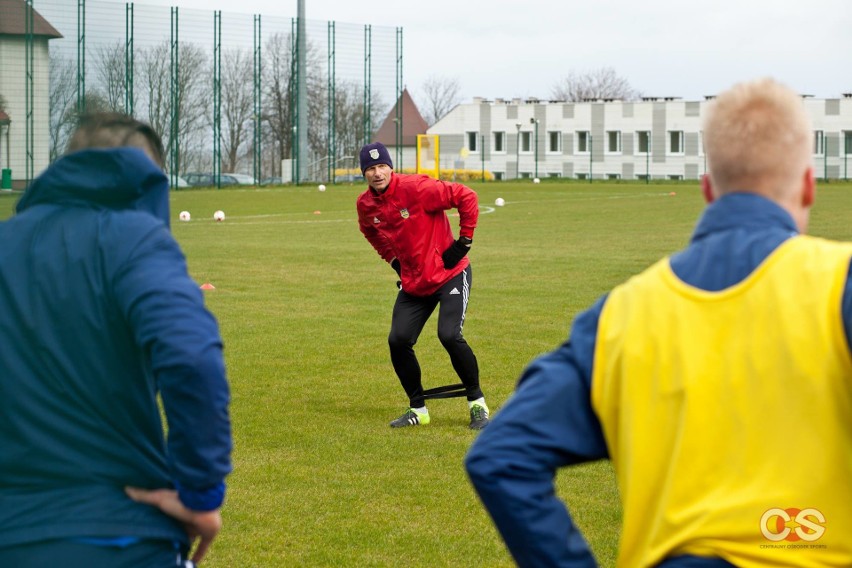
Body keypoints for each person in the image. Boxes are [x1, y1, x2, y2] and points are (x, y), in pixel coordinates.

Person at [465, 78, 852, 567]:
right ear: (809, 185)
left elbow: (500, 454)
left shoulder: (620, 316)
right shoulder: (839, 282)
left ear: (708, 189)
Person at [0, 113, 232, 567]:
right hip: (119, 536)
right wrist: (202, 493)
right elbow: (191, 357)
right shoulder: (133, 237)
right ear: (149, 178)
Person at [356, 142, 489, 429]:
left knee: (449, 335)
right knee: (398, 340)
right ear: (364, 173)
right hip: (414, 283)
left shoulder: (417, 188)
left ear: (391, 167)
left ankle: (477, 405)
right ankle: (418, 409)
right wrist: (392, 260)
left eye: (381, 166)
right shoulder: (365, 205)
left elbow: (467, 195)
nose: (377, 173)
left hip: (449, 274)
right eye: (370, 168)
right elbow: (369, 230)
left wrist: (464, 242)